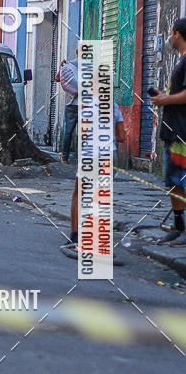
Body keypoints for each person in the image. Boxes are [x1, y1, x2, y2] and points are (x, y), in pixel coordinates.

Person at [62, 100, 126, 258]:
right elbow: (122, 137)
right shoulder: (115, 107)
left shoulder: (86, 105)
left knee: (80, 195)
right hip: (109, 155)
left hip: (91, 155)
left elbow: (84, 134)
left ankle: (76, 236)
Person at [152, 17, 186, 245]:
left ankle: (179, 228)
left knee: (178, 178)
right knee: (175, 179)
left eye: (171, 32)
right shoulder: (181, 61)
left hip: (180, 133)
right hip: (174, 129)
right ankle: (178, 225)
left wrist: (165, 100)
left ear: (176, 34)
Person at [56, 50, 79, 163]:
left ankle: (65, 157)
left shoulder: (69, 65)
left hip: (72, 104)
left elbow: (57, 78)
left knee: (68, 132)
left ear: (77, 52)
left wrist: (61, 67)